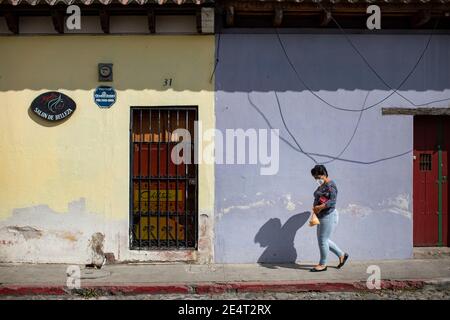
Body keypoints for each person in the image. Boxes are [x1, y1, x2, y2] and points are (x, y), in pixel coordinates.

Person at [310, 164, 349, 272]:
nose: (317, 179)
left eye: (318, 177)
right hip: (321, 216)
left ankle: (323, 264)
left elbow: (332, 201)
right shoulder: (321, 186)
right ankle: (342, 255)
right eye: (315, 178)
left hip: (329, 215)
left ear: (324, 174)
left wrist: (320, 207)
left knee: (323, 241)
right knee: (324, 240)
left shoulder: (331, 186)